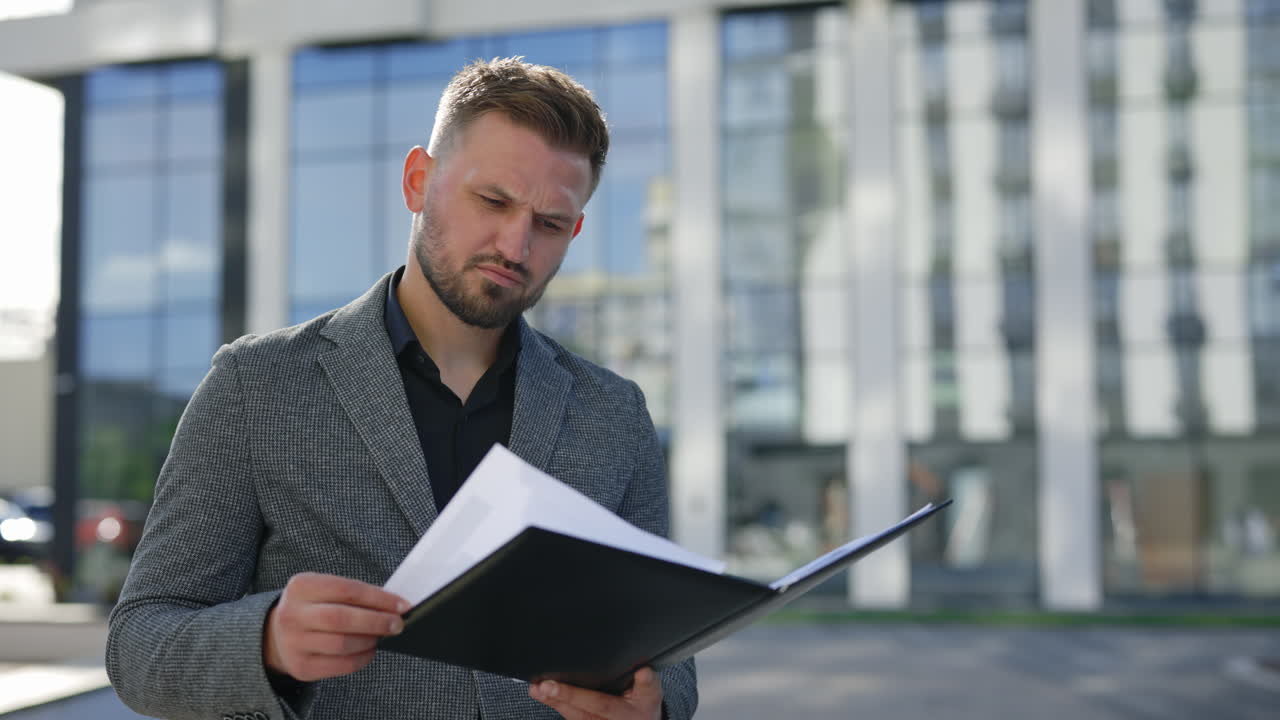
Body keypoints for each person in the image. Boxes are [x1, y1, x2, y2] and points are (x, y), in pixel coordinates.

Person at [105, 57, 696, 720]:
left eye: (550, 224)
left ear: (575, 231)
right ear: (419, 181)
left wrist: (656, 708)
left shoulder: (614, 413)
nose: (515, 244)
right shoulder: (255, 386)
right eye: (493, 200)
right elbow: (140, 645)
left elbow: (668, 660)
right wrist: (266, 638)